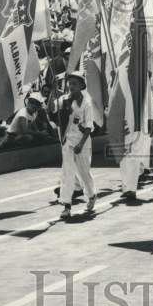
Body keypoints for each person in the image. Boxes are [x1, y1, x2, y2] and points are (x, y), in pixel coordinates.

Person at [57, 70, 97, 219]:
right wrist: (62, 106)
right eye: (70, 83)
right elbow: (54, 114)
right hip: (68, 141)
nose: (71, 86)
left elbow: (88, 127)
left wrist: (81, 143)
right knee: (67, 172)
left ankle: (92, 194)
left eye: (74, 84)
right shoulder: (64, 100)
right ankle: (66, 205)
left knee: (83, 172)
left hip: (83, 142)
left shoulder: (87, 103)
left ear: (81, 85)